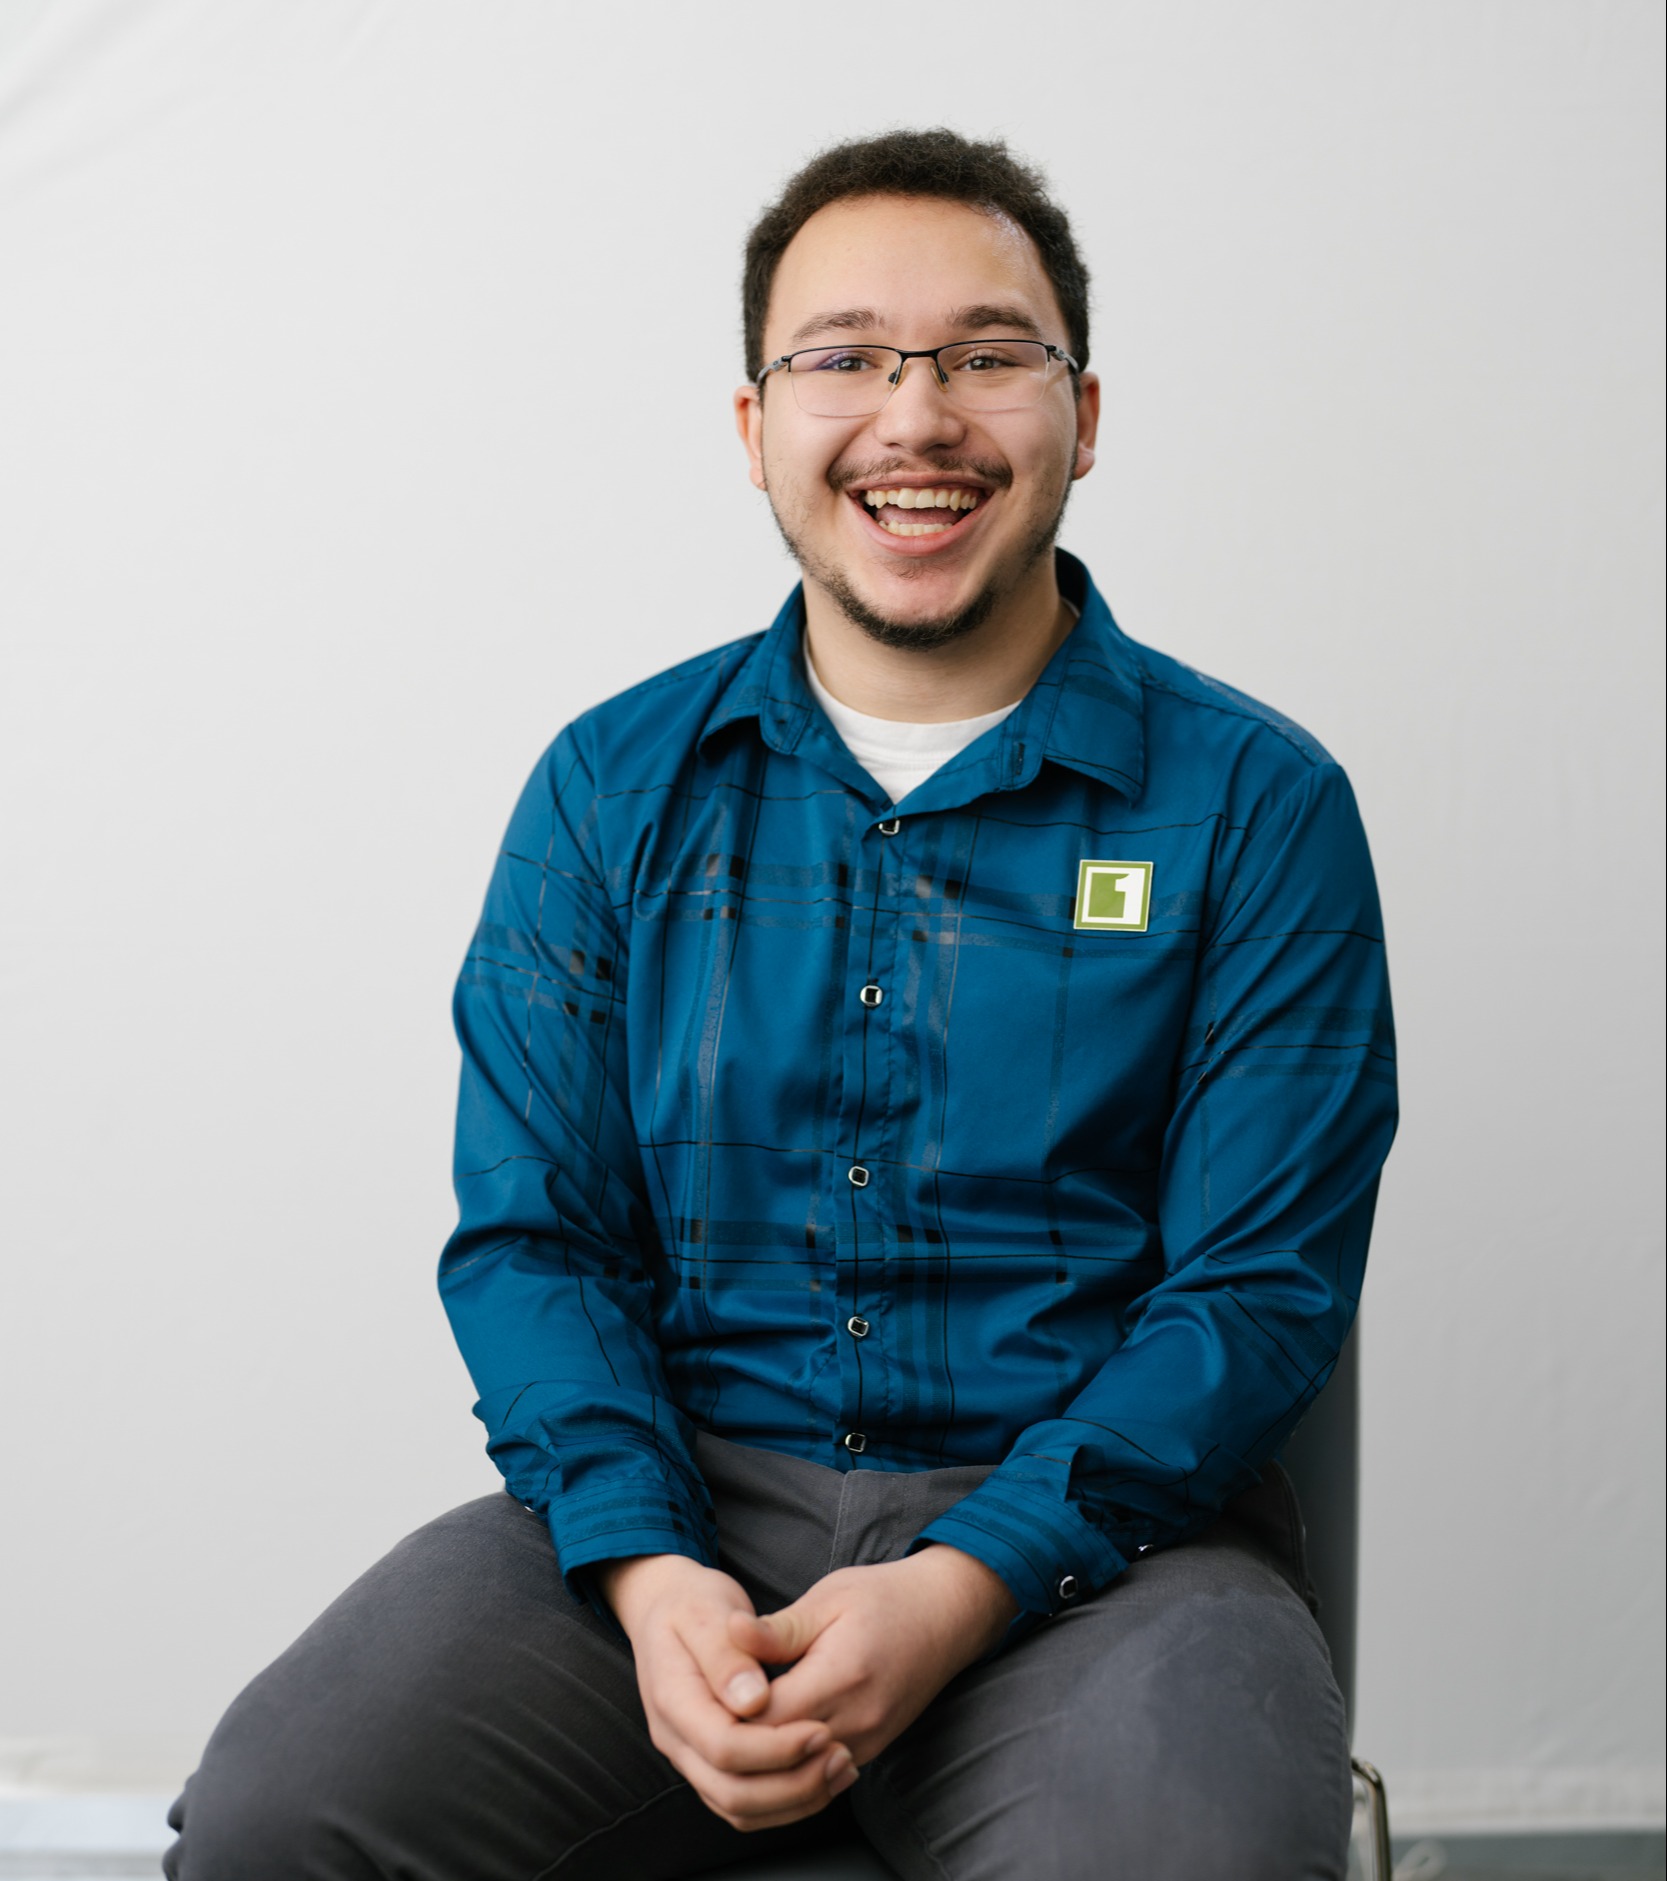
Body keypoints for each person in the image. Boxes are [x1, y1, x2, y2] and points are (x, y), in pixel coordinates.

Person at [164, 128, 1397, 1881]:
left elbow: (1255, 1297)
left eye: (986, 355)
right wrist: (650, 1565)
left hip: (1104, 1554)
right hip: (677, 1519)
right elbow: (536, 1244)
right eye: (842, 359)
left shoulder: (1259, 807)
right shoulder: (610, 790)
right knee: (282, 1820)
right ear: (757, 427)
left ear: (1086, 415)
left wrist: (963, 1580)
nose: (917, 417)